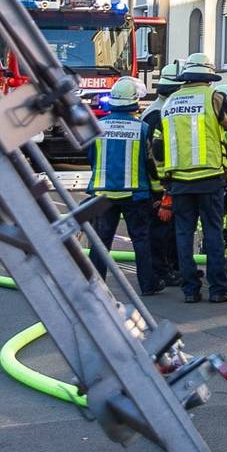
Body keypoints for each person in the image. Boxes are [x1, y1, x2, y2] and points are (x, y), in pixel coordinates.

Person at [85, 77, 174, 296]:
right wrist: (158, 191)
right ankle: (147, 284)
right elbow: (150, 163)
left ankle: (96, 285)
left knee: (100, 242)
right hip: (135, 194)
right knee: (141, 240)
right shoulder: (142, 128)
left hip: (103, 193)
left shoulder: (96, 127)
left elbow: (91, 157)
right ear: (133, 101)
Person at [158, 55, 227, 303]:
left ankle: (190, 289)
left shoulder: (169, 102)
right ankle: (217, 289)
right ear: (208, 77)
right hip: (210, 177)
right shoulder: (214, 97)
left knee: (183, 235)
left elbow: (160, 146)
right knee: (213, 233)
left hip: (179, 180)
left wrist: (165, 181)